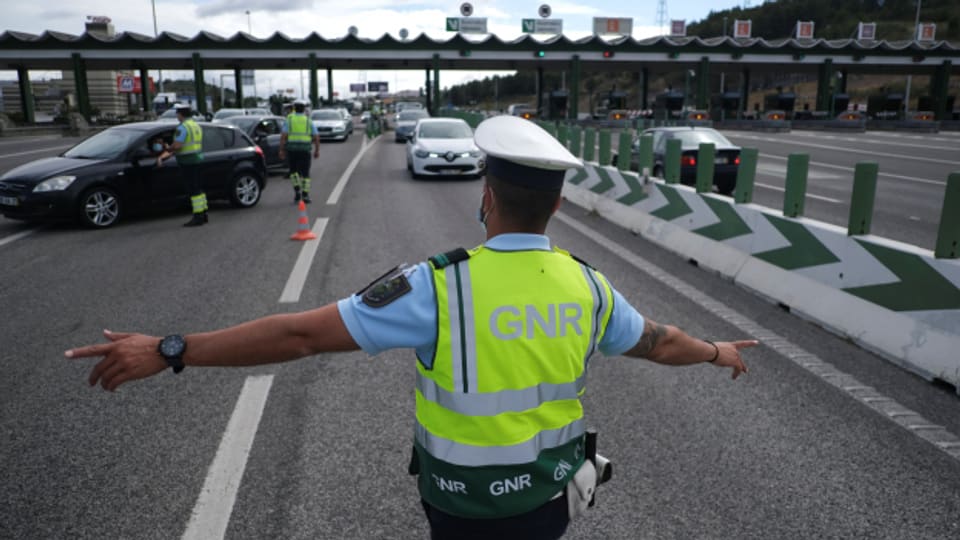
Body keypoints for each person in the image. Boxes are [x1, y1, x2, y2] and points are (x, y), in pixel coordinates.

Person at [66, 116, 757, 540]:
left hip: (460, 510)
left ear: (485, 195)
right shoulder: (589, 288)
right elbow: (662, 341)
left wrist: (172, 348)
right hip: (548, 502)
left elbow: (299, 336)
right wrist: (718, 350)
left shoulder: (437, 285)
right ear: (557, 204)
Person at [159, 104, 208, 227]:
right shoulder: (195, 125)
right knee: (199, 189)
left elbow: (178, 146)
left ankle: (197, 217)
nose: (177, 116)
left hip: (187, 161)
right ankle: (203, 213)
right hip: (197, 159)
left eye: (177, 113)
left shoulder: (183, 127)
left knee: (193, 190)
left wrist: (167, 149)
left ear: (180, 114)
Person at [279, 99, 320, 204]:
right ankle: (305, 195)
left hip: (292, 150)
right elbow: (316, 136)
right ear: (304, 109)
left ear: (294, 109)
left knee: (293, 172)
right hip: (305, 150)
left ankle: (297, 192)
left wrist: (281, 150)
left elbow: (283, 136)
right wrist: (317, 150)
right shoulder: (308, 120)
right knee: (306, 173)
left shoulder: (289, 120)